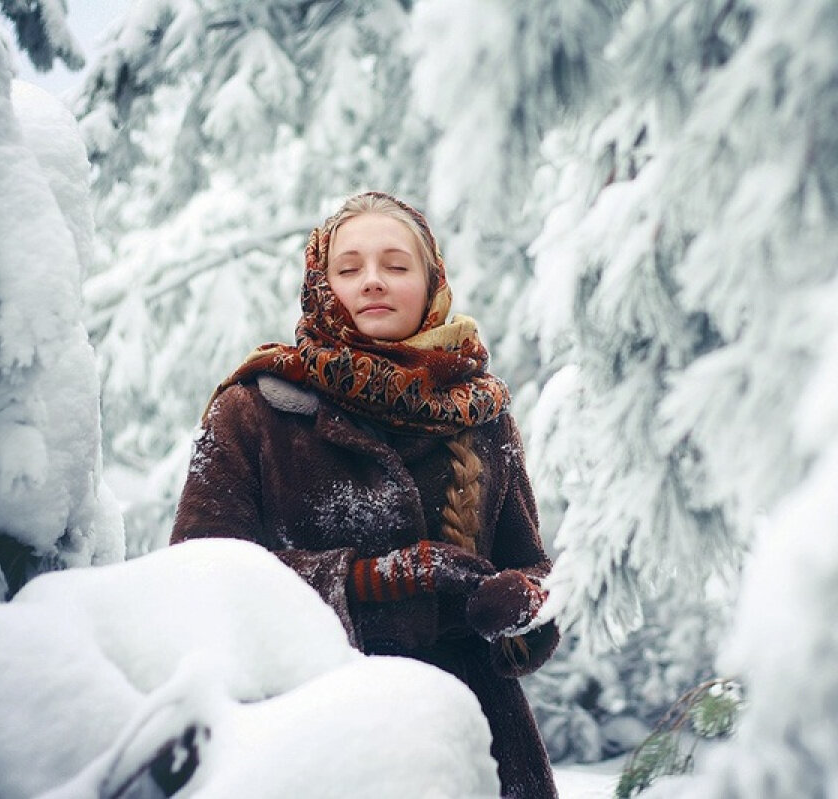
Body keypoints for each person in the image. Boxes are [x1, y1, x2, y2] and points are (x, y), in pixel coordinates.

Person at [171, 191, 560, 798]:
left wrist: (522, 607)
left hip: (477, 740)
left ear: (431, 283)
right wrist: (384, 580)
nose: (372, 282)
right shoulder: (253, 409)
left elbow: (531, 566)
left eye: (396, 266)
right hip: (313, 736)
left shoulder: (482, 414)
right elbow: (201, 578)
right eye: (349, 269)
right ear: (321, 287)